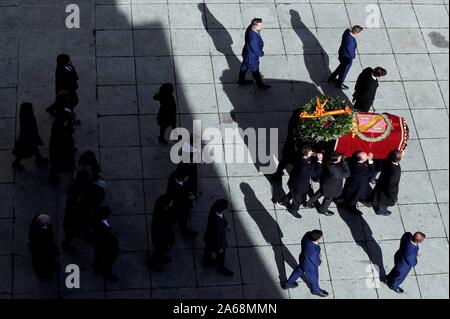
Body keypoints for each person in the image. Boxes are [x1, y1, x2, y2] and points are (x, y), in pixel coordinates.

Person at [62, 170, 105, 252]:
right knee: (77, 230)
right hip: (80, 215)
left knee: (73, 231)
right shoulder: (90, 187)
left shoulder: (73, 188)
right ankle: (67, 243)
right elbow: (101, 194)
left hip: (77, 215)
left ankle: (68, 243)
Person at [276, 146, 323, 218]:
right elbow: (315, 173)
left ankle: (283, 202)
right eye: (310, 151)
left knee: (292, 194)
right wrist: (319, 161)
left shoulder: (299, 158)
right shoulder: (304, 167)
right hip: (298, 186)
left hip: (293, 182)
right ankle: (293, 210)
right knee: (297, 201)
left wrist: (313, 155)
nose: (312, 152)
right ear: (306, 153)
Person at [284, 230, 329, 297]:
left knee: (298, 271)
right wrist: (320, 260)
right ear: (317, 239)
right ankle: (316, 291)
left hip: (303, 259)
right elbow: (315, 261)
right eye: (320, 237)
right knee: (314, 278)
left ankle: (288, 284)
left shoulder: (307, 235)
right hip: (309, 266)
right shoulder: (313, 250)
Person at [306, 151, 350, 216]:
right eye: (339, 158)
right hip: (331, 188)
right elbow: (347, 174)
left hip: (325, 183)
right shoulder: (336, 172)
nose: (340, 158)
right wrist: (344, 162)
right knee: (328, 199)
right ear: (336, 161)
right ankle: (322, 210)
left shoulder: (327, 163)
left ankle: (308, 203)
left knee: (318, 193)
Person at [12, 102, 48, 171]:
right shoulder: (28, 117)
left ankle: (38, 158)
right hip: (28, 138)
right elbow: (29, 128)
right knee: (24, 151)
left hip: (29, 137)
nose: (32, 108)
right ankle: (16, 163)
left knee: (34, 148)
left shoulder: (23, 115)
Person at [203, 199, 233, 276]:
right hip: (216, 240)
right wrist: (219, 247)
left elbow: (222, 217)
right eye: (225, 209)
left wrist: (226, 225)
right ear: (221, 209)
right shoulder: (215, 222)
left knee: (208, 248)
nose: (225, 211)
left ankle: (206, 262)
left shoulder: (215, 210)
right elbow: (215, 236)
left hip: (210, 237)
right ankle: (221, 267)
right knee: (221, 253)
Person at [145, 194, 175, 271]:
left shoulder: (164, 202)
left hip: (163, 231)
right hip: (159, 232)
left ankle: (159, 258)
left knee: (163, 247)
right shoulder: (162, 207)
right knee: (158, 248)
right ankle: (152, 262)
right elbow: (164, 220)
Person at [239, 18, 271, 89]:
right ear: (254, 26)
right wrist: (261, 53)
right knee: (255, 71)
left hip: (247, 53)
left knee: (245, 65)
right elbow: (257, 51)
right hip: (251, 57)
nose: (261, 27)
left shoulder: (250, 27)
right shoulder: (253, 39)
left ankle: (241, 80)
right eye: (259, 26)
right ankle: (260, 85)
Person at [328, 25, 363, 90]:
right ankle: (339, 84)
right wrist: (353, 56)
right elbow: (351, 53)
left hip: (342, 53)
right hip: (347, 58)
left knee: (341, 67)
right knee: (344, 72)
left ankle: (332, 78)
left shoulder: (347, 32)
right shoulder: (351, 42)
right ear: (356, 33)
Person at [370, 150, 404, 216]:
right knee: (383, 202)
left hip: (381, 182)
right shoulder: (395, 174)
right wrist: (393, 197)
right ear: (399, 160)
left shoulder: (387, 161)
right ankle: (380, 211)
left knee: (377, 194)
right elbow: (391, 188)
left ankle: (373, 201)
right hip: (385, 192)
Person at [167, 167, 198, 238]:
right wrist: (190, 198)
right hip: (181, 207)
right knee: (183, 220)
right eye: (187, 177)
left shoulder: (173, 175)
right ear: (182, 178)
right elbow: (180, 199)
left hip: (176, 203)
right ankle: (185, 233)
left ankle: (173, 218)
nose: (188, 177)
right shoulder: (177, 190)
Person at [272, 108, 303, 178]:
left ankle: (277, 174)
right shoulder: (297, 128)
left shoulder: (292, 122)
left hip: (289, 147)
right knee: (296, 165)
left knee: (284, 161)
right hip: (296, 149)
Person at [48, 107, 76, 183]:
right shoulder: (63, 127)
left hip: (57, 147)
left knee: (56, 164)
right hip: (63, 146)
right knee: (67, 160)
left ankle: (53, 177)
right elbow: (70, 132)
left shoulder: (56, 125)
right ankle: (72, 173)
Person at [93, 206, 119, 282]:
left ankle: (98, 267)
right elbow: (103, 237)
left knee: (99, 255)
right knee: (108, 260)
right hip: (104, 245)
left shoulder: (101, 221)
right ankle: (107, 274)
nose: (108, 215)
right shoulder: (100, 224)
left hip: (102, 244)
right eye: (107, 214)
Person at [28, 213, 57, 278]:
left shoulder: (39, 221)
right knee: (42, 264)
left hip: (46, 249)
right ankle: (44, 274)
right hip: (42, 253)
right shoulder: (37, 235)